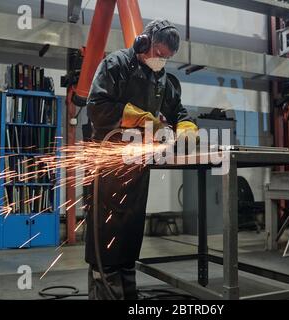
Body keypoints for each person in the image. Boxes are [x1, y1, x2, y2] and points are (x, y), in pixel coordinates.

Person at [85, 19, 198, 300]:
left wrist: (186, 127)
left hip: (138, 165)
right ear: (143, 43)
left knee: (131, 229)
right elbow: (97, 107)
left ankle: (128, 293)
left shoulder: (163, 80)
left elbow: (179, 112)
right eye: (159, 53)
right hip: (108, 163)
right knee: (107, 232)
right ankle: (105, 292)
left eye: (167, 58)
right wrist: (140, 118)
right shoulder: (116, 65)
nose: (162, 61)